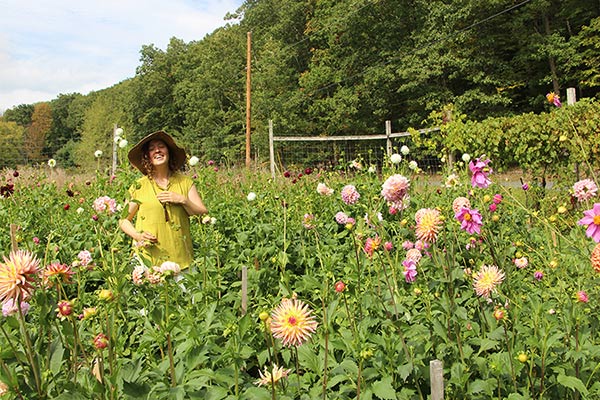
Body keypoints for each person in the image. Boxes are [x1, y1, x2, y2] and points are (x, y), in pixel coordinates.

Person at [119, 130, 207, 269]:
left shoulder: (184, 182)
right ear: (147, 156)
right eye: (152, 149)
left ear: (169, 151)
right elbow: (123, 220)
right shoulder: (139, 186)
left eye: (161, 146)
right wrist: (138, 236)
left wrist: (183, 200)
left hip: (181, 260)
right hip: (147, 260)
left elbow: (202, 212)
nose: (157, 151)